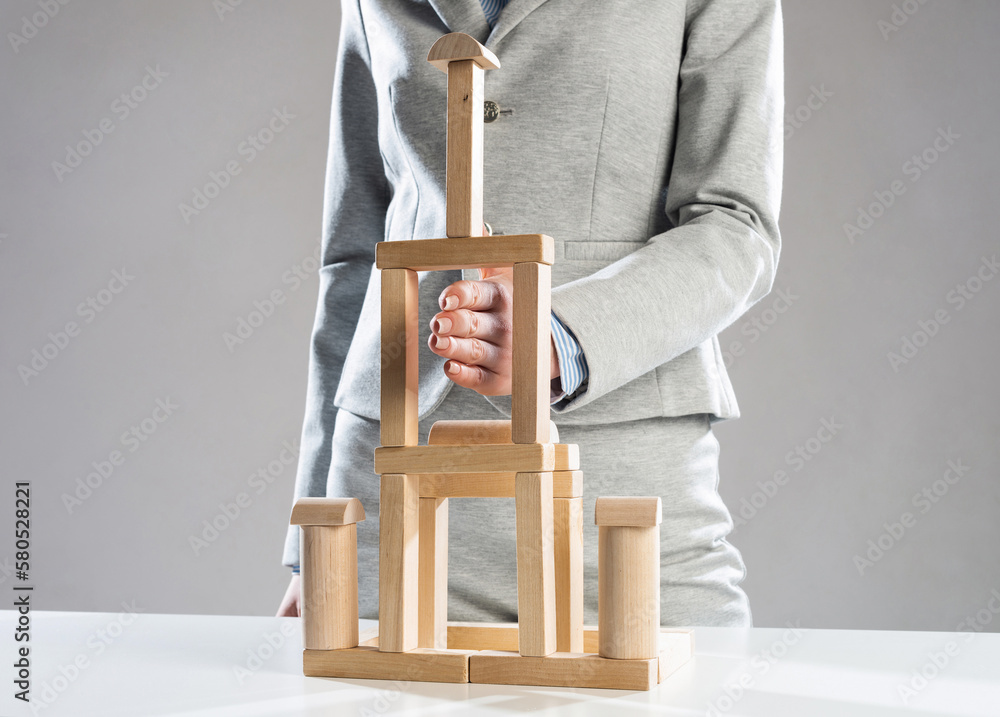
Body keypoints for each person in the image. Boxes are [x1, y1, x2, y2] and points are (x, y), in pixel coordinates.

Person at [277, 0, 784, 628]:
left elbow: (736, 224)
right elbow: (354, 260)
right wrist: (312, 546)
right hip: (388, 511)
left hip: (614, 501)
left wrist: (562, 335)